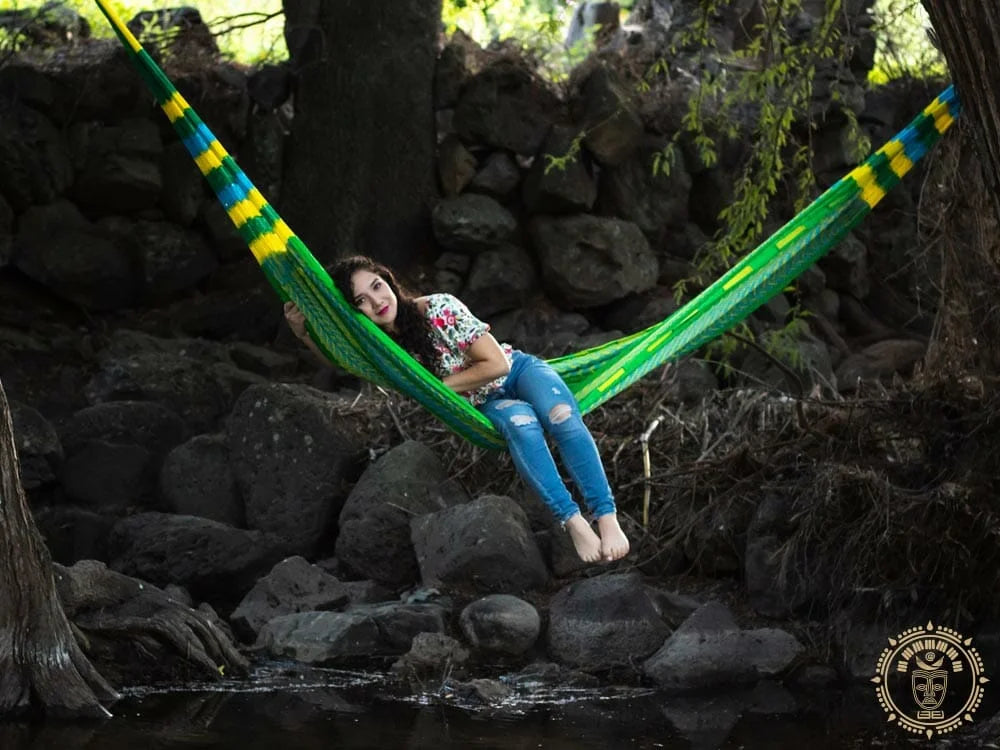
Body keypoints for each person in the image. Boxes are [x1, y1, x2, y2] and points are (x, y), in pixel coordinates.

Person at [283, 255, 630, 563]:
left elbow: (496, 364)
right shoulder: (383, 352)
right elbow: (344, 361)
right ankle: (573, 522)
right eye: (361, 300)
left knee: (562, 417)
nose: (377, 301)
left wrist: (434, 390)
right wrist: (302, 333)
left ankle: (607, 516)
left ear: (388, 280)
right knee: (523, 426)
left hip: (519, 371)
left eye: (377, 286)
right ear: (353, 311)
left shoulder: (438, 308)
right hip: (487, 402)